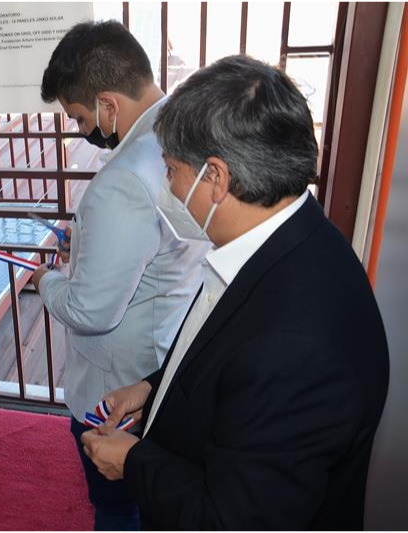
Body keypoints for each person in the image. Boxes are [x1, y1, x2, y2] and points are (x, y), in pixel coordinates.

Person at [81, 54, 390, 529]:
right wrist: (153, 387)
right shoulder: (289, 238)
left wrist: (133, 462)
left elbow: (235, 517)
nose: (167, 186)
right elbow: (221, 354)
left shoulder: (292, 347)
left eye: (171, 170)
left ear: (217, 178)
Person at [32, 20, 209, 530]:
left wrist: (45, 281)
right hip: (162, 350)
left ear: (109, 103)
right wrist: (86, 242)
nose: (81, 128)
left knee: (118, 505)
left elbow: (90, 310)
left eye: (81, 116)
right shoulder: (183, 132)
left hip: (118, 380)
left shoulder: (122, 181)